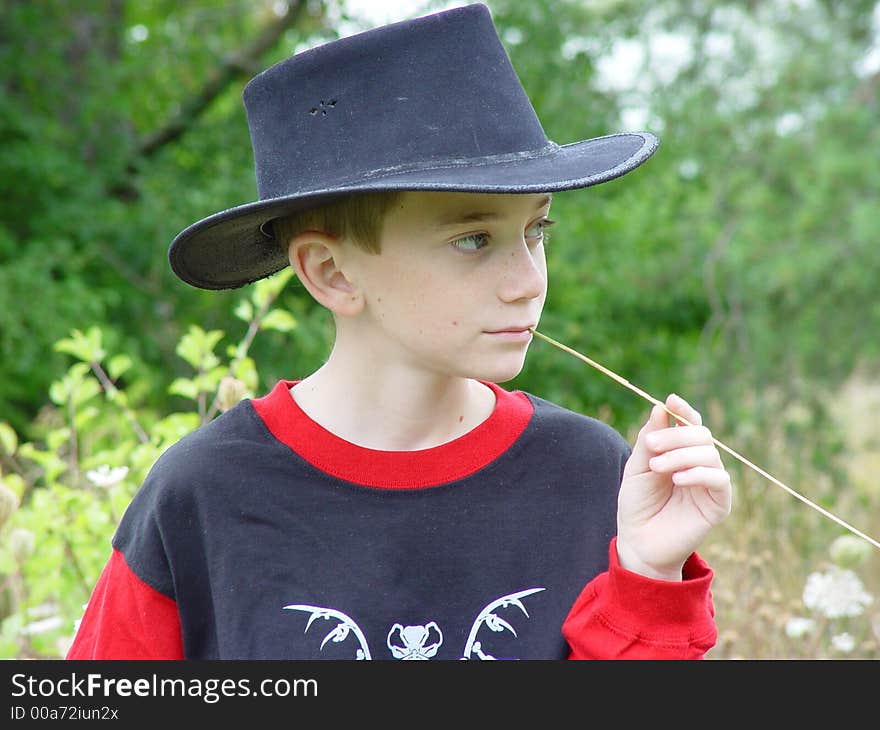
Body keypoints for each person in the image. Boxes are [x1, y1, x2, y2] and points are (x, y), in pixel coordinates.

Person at [67, 3, 731, 661]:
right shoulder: (206, 494)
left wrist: (646, 572)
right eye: (473, 239)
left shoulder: (590, 478)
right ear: (331, 273)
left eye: (535, 231)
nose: (528, 281)